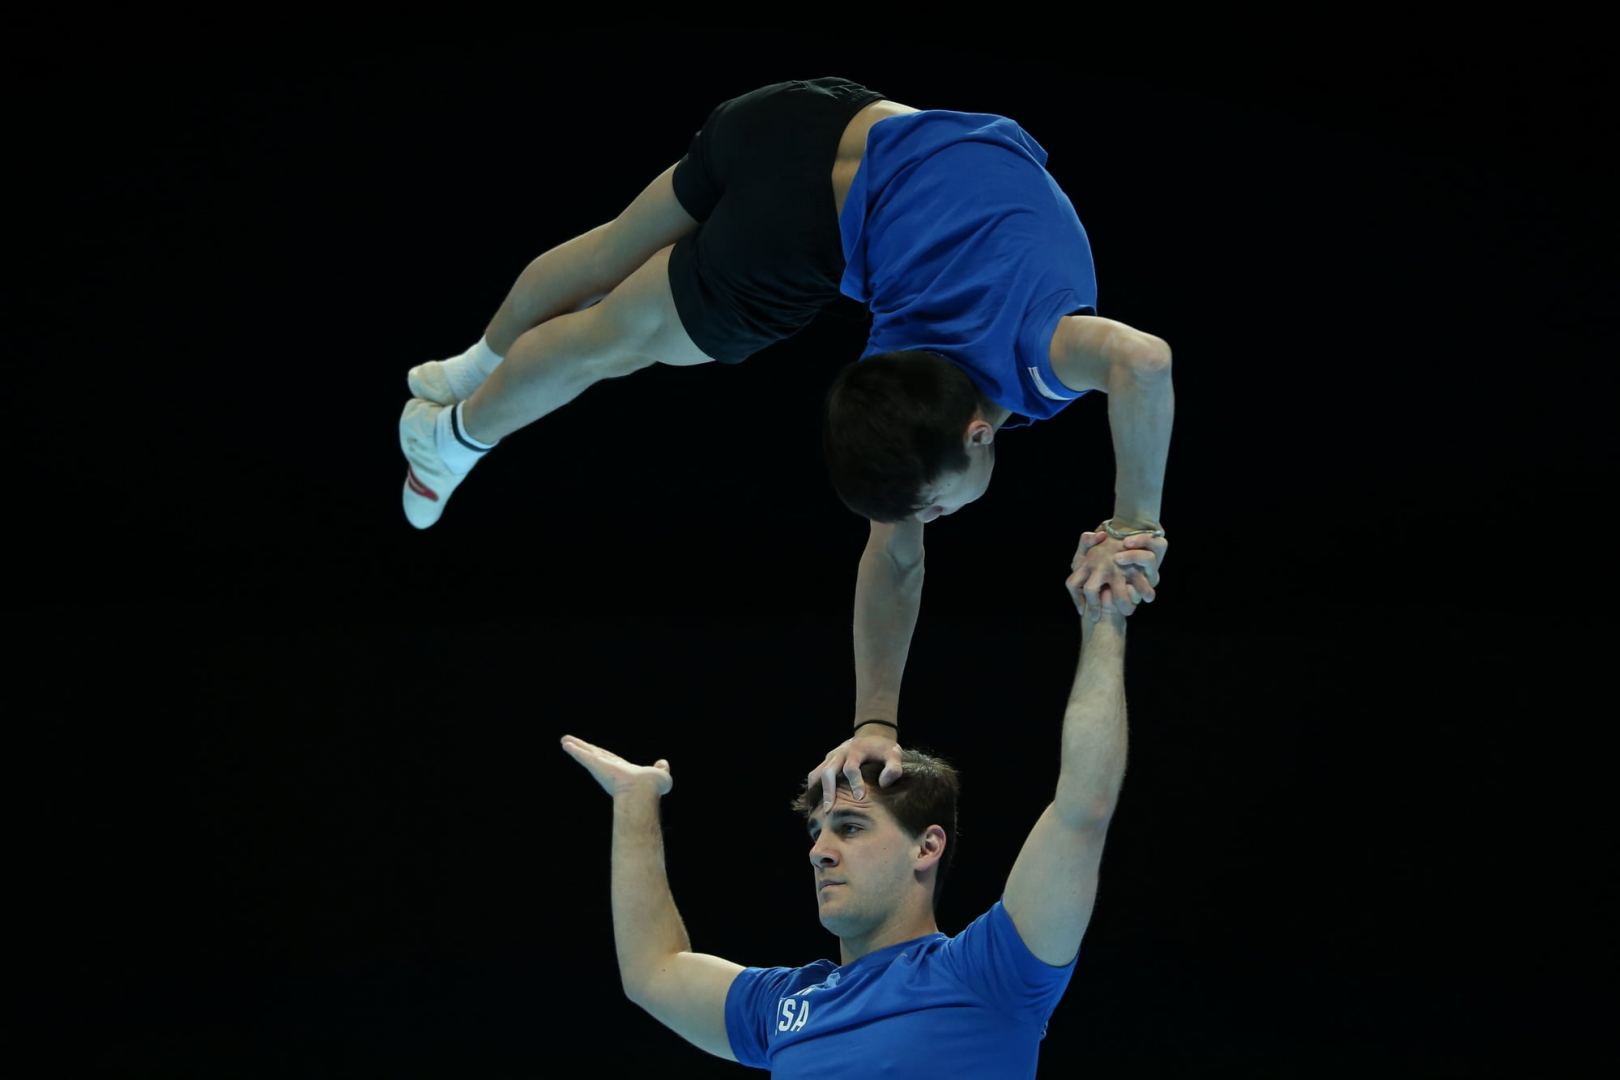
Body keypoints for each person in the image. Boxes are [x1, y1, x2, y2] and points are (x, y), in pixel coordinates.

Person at [406, 76, 1174, 782]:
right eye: (931, 509)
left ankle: (472, 365)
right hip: (792, 221)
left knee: (610, 248)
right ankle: (453, 434)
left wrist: (877, 719)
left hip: (808, 112)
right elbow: (1143, 361)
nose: (925, 522)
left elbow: (1134, 364)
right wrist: (1131, 528)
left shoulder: (906, 386)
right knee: (609, 339)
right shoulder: (1029, 353)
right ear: (978, 431)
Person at [557, 534, 1164, 1076]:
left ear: (927, 846)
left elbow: (1083, 806)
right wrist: (635, 803)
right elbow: (653, 971)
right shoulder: (785, 1007)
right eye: (818, 832)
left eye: (849, 826)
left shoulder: (991, 973)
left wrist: (1103, 618)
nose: (820, 852)